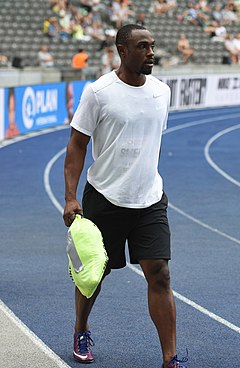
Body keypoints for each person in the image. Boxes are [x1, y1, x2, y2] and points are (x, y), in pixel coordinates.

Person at [63, 24, 188, 368]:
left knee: (160, 273)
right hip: (105, 197)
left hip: (149, 199)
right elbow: (77, 145)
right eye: (143, 47)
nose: (151, 52)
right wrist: (71, 197)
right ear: (122, 50)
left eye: (152, 45)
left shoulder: (161, 92)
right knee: (94, 275)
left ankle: (170, 358)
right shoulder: (99, 92)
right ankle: (81, 329)